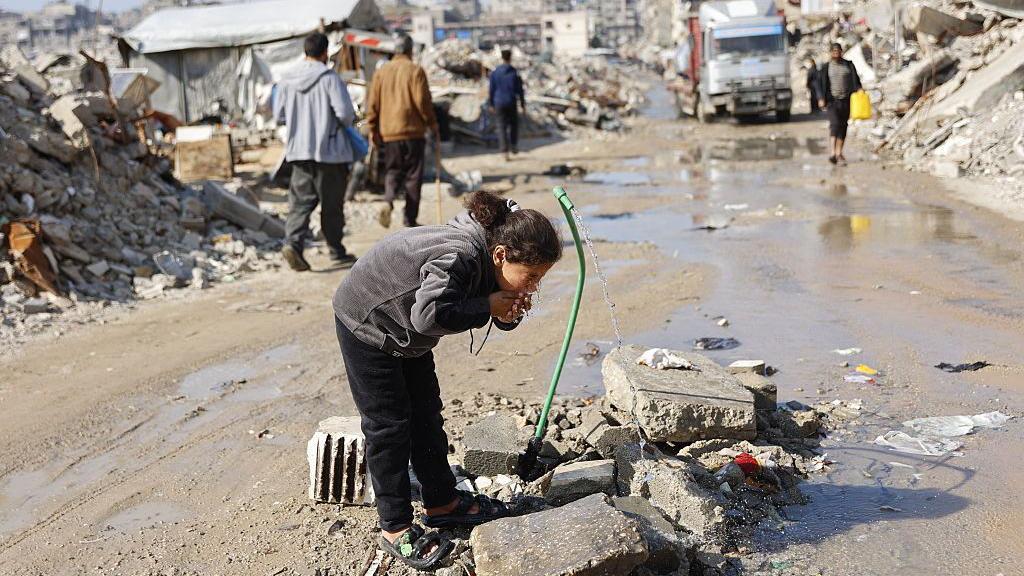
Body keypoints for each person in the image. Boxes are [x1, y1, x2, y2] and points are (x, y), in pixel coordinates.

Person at [332, 190, 562, 570]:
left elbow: (474, 304)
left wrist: (504, 313)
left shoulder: (490, 252)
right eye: (532, 276)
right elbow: (430, 315)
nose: (534, 285)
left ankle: (442, 502)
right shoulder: (461, 255)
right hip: (368, 322)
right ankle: (395, 527)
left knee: (426, 415)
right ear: (502, 254)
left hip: (404, 329)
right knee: (388, 427)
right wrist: (488, 305)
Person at [274, 32, 357, 271]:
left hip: (298, 152)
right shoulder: (329, 78)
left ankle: (293, 244)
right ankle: (336, 251)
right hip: (329, 152)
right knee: (331, 204)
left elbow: (279, 116)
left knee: (300, 203)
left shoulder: (286, 80)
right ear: (324, 53)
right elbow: (345, 114)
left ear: (305, 51)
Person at [367, 34, 438, 228]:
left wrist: (373, 129)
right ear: (410, 50)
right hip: (413, 132)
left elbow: (372, 104)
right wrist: (432, 124)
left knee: (393, 170)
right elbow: (423, 102)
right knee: (414, 176)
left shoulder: (382, 72)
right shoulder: (415, 70)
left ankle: (388, 200)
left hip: (389, 133)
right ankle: (409, 219)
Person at [817, 43, 861, 166]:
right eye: (834, 51)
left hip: (846, 100)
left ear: (841, 52)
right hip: (832, 101)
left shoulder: (849, 65)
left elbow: (856, 81)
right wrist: (821, 98)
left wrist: (859, 89)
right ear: (831, 53)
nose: (836, 53)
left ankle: (839, 152)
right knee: (835, 124)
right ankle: (832, 153)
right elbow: (820, 85)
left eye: (838, 51)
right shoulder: (826, 67)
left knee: (843, 126)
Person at [488, 47, 526, 161]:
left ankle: (504, 152)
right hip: (511, 102)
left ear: (502, 57)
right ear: (510, 57)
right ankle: (513, 145)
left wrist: (491, 104)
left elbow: (491, 89)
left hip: (498, 102)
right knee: (513, 125)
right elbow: (520, 90)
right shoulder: (514, 72)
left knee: (501, 127)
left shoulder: (495, 73)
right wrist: (523, 104)